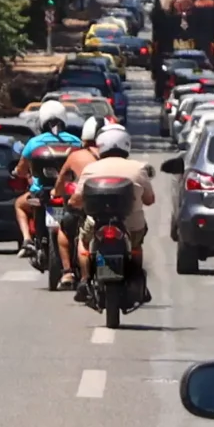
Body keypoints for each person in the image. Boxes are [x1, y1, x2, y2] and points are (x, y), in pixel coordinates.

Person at [68, 125, 154, 303]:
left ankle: (84, 279)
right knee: (136, 245)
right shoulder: (138, 168)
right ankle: (137, 278)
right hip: (132, 223)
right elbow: (149, 199)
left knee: (83, 242)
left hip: (96, 223)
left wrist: (72, 204)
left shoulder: (91, 168)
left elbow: (76, 199)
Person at [13, 100, 82, 257]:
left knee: (19, 205)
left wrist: (18, 172)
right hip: (68, 193)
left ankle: (27, 240)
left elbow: (21, 170)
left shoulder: (34, 142)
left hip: (40, 194)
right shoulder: (76, 141)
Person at [51, 115, 104, 288]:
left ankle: (67, 272)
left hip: (84, 207)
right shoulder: (114, 156)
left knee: (65, 229)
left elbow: (60, 183)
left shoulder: (76, 156)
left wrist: (55, 192)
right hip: (111, 208)